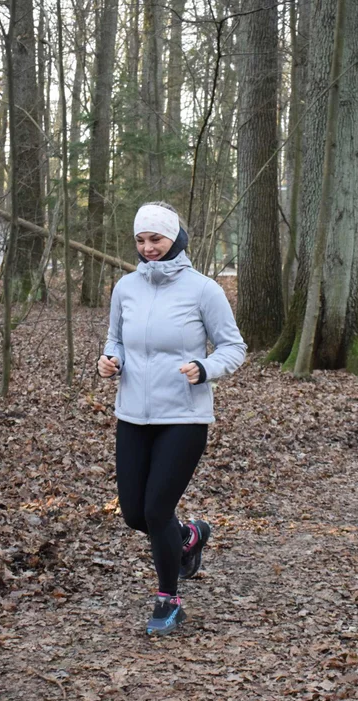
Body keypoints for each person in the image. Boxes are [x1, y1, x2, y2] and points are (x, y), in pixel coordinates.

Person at [97, 201, 246, 636]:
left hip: (183, 415)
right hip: (132, 415)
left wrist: (205, 368)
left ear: (175, 238)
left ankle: (169, 599)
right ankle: (188, 537)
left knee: (157, 508)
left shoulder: (204, 290)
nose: (148, 248)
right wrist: (110, 361)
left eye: (156, 239)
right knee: (133, 514)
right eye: (141, 241)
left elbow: (233, 348)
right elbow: (115, 340)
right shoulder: (125, 287)